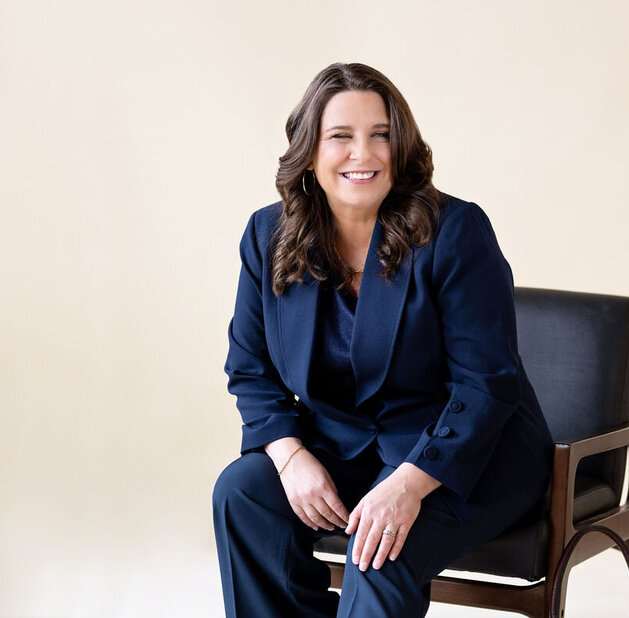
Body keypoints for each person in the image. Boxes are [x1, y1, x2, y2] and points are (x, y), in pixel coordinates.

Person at [212, 62, 553, 618]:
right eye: (341, 137)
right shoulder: (267, 234)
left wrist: (408, 488)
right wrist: (291, 455)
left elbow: (487, 386)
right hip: (344, 446)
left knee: (380, 551)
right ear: (310, 151)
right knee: (243, 493)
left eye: (381, 136)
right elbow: (251, 368)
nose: (363, 155)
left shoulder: (456, 231)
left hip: (461, 457)